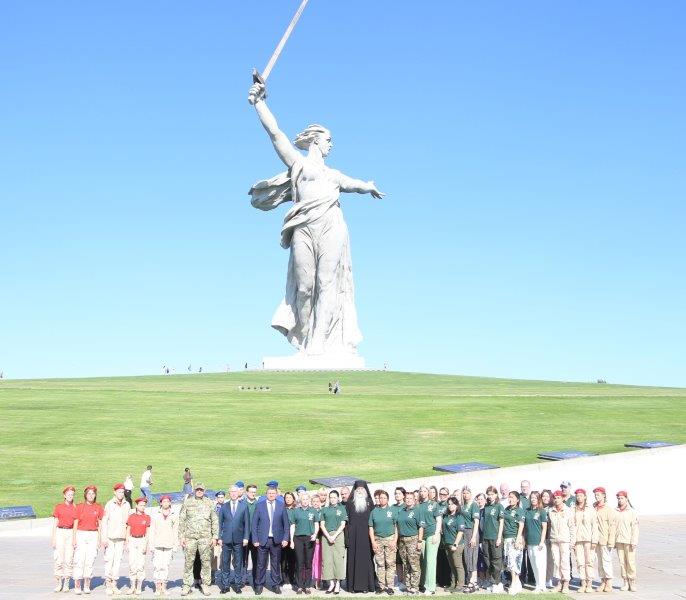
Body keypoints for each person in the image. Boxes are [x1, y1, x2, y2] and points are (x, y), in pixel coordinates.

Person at [247, 81, 384, 358]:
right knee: (305, 287)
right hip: (304, 227)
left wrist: (368, 186)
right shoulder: (299, 164)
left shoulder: (334, 175)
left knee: (327, 283)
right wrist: (259, 103)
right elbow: (275, 133)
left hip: (332, 225)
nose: (331, 144)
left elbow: (354, 184)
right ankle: (306, 338)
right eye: (328, 139)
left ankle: (319, 343)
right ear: (315, 140)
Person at [179, 482, 219, 597]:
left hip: (205, 538)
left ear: (204, 491)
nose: (199, 491)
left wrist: (215, 537)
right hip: (190, 538)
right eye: (197, 490)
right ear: (194, 491)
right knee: (188, 562)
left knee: (206, 562)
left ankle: (205, 584)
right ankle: (187, 585)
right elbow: (182, 520)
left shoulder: (209, 503)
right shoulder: (187, 502)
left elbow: (215, 520)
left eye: (201, 490)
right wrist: (181, 537)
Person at [252, 484, 291, 594]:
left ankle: (275, 585)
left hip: (276, 540)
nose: (271, 495)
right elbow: (254, 524)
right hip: (262, 540)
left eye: (273, 493)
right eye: (269, 493)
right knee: (261, 564)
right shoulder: (260, 505)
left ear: (276, 494)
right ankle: (259, 585)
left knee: (275, 564)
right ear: (266, 494)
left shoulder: (281, 505)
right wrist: (255, 539)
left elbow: (286, 524)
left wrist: (285, 538)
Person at [344, 480, 376, 593]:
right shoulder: (349, 504)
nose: (360, 491)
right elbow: (346, 523)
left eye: (362, 489)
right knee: (352, 560)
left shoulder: (370, 503)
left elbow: (373, 521)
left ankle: (366, 586)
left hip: (366, 537)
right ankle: (352, 587)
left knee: (366, 560)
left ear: (365, 490)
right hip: (353, 537)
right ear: (355, 490)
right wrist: (347, 538)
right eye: (358, 489)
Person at [72, 485, 104, 595]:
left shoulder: (98, 507)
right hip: (81, 534)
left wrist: (99, 538)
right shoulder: (79, 507)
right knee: (79, 559)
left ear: (95, 495)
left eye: (93, 493)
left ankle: (87, 585)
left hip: (93, 534)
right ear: (85, 495)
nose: (91, 495)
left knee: (90, 560)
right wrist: (74, 538)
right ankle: (77, 585)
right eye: (89, 493)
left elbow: (100, 524)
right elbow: (75, 523)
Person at [218, 485, 250, 594]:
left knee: (238, 563)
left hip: (239, 539)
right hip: (226, 539)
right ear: (229, 493)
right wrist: (219, 537)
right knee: (225, 563)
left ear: (238, 493)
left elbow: (247, 524)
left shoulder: (243, 506)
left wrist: (246, 537)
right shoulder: (224, 507)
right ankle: (225, 585)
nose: (233, 493)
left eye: (235, 491)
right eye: (231, 492)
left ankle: (237, 585)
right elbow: (219, 523)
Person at [101, 483, 131, 595]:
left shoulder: (127, 505)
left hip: (121, 537)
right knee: (109, 560)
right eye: (119, 492)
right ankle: (108, 583)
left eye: (122, 492)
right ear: (115, 492)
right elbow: (104, 522)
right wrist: (104, 537)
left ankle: (114, 583)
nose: (121, 494)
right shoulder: (109, 504)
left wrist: (127, 539)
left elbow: (128, 523)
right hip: (110, 537)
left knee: (118, 561)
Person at [289, 492, 320, 594]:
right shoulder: (296, 511)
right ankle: (299, 585)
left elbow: (316, 524)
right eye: (303, 499)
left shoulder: (313, 511)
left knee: (308, 562)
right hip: (298, 538)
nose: (305, 501)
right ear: (300, 501)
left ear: (309, 500)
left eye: (307, 499)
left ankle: (307, 585)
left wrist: (315, 534)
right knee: (299, 562)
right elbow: (292, 526)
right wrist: (292, 540)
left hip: (310, 538)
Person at [368, 490, 398, 594]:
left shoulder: (392, 511)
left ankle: (390, 586)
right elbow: (371, 528)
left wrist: (394, 541)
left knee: (390, 563)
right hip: (378, 540)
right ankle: (381, 586)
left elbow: (396, 527)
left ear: (388, 499)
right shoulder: (374, 511)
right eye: (380, 498)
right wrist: (373, 542)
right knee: (380, 564)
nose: (382, 500)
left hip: (390, 539)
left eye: (384, 498)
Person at [150, 495, 179, 598]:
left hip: (169, 544)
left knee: (166, 566)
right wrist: (151, 545)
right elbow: (152, 530)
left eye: (167, 501)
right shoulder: (155, 514)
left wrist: (175, 545)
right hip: (157, 544)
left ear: (170, 503)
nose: (166, 503)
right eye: (164, 501)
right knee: (157, 566)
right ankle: (158, 587)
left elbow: (176, 530)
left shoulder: (174, 515)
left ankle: (164, 587)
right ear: (161, 503)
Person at [417, 484, 443, 594]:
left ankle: (430, 587)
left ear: (428, 492)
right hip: (421, 536)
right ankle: (422, 584)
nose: (422, 493)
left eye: (424, 491)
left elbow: (439, 520)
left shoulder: (434, 504)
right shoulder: (418, 505)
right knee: (423, 561)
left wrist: (437, 534)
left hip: (432, 534)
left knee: (430, 561)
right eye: (421, 491)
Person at [320, 489, 347, 594]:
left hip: (338, 535)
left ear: (338, 498)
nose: (332, 499)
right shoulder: (325, 509)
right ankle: (331, 583)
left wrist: (334, 536)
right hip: (326, 536)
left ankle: (338, 583)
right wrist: (328, 536)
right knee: (327, 560)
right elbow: (322, 524)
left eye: (334, 497)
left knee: (338, 559)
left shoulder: (342, 509)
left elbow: (343, 524)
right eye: (331, 497)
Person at [396, 490, 423, 594]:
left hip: (413, 539)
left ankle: (415, 587)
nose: (408, 500)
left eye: (411, 498)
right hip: (402, 541)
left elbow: (421, 527)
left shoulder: (417, 511)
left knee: (414, 565)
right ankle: (408, 587)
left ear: (414, 500)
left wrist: (419, 541)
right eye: (407, 498)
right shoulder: (401, 511)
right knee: (406, 565)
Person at [52, 485, 77, 593]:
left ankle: (66, 582)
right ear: (64, 495)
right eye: (68, 494)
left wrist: (74, 538)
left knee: (69, 559)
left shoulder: (75, 508)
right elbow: (55, 523)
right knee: (59, 559)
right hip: (60, 532)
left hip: (70, 532)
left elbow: (75, 524)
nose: (70, 496)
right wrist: (53, 538)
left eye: (72, 495)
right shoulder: (59, 507)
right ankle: (59, 582)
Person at [548, 490, 575, 593]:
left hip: (565, 540)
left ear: (563, 498)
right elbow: (549, 526)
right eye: (555, 498)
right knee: (556, 562)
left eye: (558, 498)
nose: (556, 500)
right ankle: (559, 583)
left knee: (565, 562)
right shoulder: (551, 511)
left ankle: (566, 583)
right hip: (554, 540)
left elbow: (572, 527)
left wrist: (572, 541)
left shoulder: (568, 510)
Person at [572, 488, 598, 593]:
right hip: (577, 540)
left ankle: (589, 583)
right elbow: (572, 526)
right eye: (577, 496)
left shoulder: (590, 509)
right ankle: (583, 583)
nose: (579, 498)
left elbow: (595, 525)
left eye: (581, 496)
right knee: (580, 562)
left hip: (589, 540)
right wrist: (572, 541)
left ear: (585, 497)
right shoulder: (573, 509)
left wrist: (595, 540)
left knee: (589, 561)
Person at [593, 486, 617, 593]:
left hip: (605, 539)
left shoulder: (608, 509)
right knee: (599, 562)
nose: (596, 496)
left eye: (598, 494)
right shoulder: (594, 508)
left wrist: (611, 541)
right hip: (596, 539)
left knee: (606, 561)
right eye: (595, 495)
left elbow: (612, 526)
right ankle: (602, 581)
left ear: (604, 495)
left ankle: (609, 582)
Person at [481, 486, 504, 593]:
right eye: (488, 494)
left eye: (492, 494)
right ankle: (492, 581)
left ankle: (497, 583)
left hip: (495, 537)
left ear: (496, 494)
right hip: (485, 537)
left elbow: (501, 522)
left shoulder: (499, 506)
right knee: (488, 560)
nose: (490, 496)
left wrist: (499, 537)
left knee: (496, 561)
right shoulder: (486, 506)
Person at [524, 491, 548, 594]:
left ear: (539, 499)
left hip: (538, 543)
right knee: (533, 565)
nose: (533, 499)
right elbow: (525, 527)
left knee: (540, 565)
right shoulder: (527, 511)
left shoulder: (542, 511)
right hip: (529, 542)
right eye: (532, 497)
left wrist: (542, 541)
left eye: (535, 497)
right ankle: (538, 584)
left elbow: (544, 528)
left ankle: (542, 585)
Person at [126, 497, 151, 596]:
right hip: (132, 539)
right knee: (132, 564)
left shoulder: (147, 517)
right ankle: (132, 586)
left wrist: (145, 544)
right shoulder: (131, 517)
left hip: (142, 540)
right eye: (141, 505)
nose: (142, 507)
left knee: (140, 564)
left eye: (144, 505)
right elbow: (128, 529)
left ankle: (139, 586)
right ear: (136, 506)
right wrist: (127, 542)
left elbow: (147, 532)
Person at [614, 491, 639, 592]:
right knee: (622, 562)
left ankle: (632, 582)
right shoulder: (615, 511)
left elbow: (635, 528)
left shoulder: (632, 512)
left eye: (622, 498)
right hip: (619, 541)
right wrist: (613, 541)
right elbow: (613, 527)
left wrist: (634, 541)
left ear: (626, 499)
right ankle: (625, 582)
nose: (620, 500)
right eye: (619, 499)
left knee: (630, 562)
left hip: (629, 541)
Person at [440, 496, 466, 593]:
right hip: (447, 544)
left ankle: (460, 585)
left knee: (458, 565)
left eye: (452, 504)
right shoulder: (446, 516)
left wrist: (455, 544)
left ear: (457, 505)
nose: (450, 506)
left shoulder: (459, 517)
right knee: (452, 566)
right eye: (449, 504)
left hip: (456, 545)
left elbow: (460, 531)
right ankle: (453, 584)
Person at [502, 491, 525, 595]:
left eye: (512, 497)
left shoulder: (519, 510)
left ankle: (513, 583)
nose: (510, 499)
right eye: (509, 497)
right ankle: (517, 582)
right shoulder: (506, 509)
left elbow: (521, 525)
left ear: (517, 499)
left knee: (513, 561)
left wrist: (518, 539)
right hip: (506, 538)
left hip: (514, 538)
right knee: (509, 561)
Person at [460, 486, 480, 594]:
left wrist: (473, 537)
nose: (465, 495)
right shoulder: (463, 506)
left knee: (472, 557)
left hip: (471, 532)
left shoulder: (474, 505)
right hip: (464, 532)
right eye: (464, 493)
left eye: (467, 493)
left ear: (471, 494)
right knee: (467, 557)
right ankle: (473, 582)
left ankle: (471, 582)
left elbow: (476, 522)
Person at [242, 484, 260, 587]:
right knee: (243, 559)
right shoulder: (242, 504)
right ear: (246, 492)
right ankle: (243, 579)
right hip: (244, 536)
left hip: (255, 537)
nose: (253, 494)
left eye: (254, 492)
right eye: (251, 492)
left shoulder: (259, 504)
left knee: (256, 559)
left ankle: (256, 581)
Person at [435, 487, 452, 589]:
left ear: (448, 495)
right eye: (441, 494)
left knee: (447, 558)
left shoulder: (449, 505)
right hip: (438, 535)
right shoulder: (437, 505)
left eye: (445, 494)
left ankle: (447, 581)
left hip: (447, 534)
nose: (442, 496)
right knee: (439, 558)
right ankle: (439, 580)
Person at [281, 491, 298, 588]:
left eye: (290, 497)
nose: (288, 499)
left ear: (293, 499)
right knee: (283, 560)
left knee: (292, 559)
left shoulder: (296, 510)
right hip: (283, 537)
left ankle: (292, 578)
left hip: (293, 538)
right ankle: (284, 579)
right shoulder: (282, 509)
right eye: (286, 498)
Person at [540, 489, 555, 589]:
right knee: (541, 560)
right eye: (543, 496)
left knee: (549, 560)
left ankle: (549, 579)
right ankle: (541, 579)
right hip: (540, 537)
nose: (545, 498)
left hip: (549, 537)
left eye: (547, 496)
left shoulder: (552, 509)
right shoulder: (538, 508)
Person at [212, 491, 226, 586]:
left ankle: (223, 575)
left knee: (224, 556)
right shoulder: (213, 508)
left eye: (222, 497)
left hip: (224, 535)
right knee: (214, 556)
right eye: (219, 497)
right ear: (216, 498)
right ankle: (212, 575)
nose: (220, 499)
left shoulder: (227, 507)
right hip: (215, 535)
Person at [310, 493, 324, 589]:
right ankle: (311, 579)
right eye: (314, 501)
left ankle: (319, 580)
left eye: (317, 501)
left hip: (320, 539)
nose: (315, 503)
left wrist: (318, 537)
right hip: (310, 539)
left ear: (320, 502)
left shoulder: (322, 512)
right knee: (311, 561)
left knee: (319, 561)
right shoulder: (309, 512)